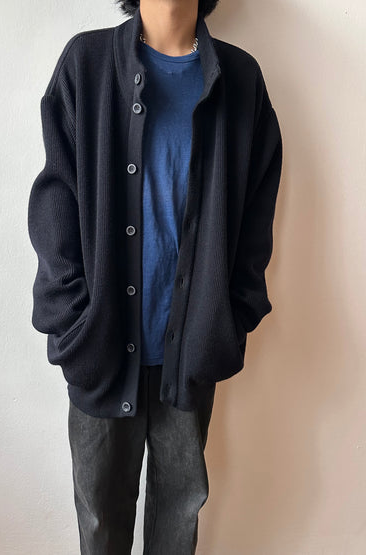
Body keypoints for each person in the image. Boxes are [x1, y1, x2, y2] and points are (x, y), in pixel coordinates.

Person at [27, 0, 283, 553]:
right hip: (98, 353)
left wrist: (228, 320)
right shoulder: (86, 64)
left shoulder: (240, 80)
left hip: (189, 358)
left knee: (177, 526)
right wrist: (72, 324)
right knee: (100, 527)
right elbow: (55, 204)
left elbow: (256, 218)